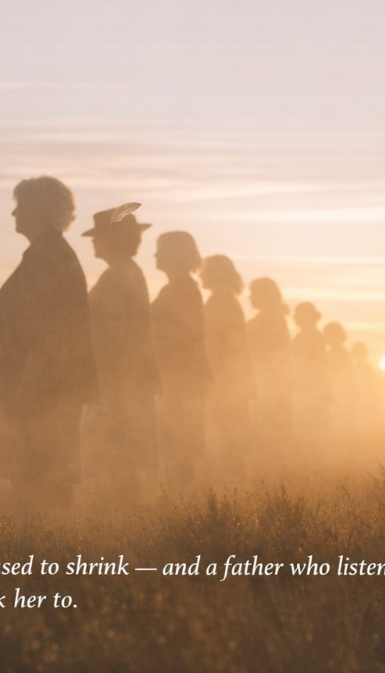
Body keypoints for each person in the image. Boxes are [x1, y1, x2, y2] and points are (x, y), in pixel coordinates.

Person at [0, 177, 97, 512]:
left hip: (42, 386)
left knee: (37, 475)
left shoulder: (47, 255)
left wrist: (29, 382)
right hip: (45, 383)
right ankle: (48, 550)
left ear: (40, 211)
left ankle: (44, 555)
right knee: (43, 474)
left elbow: (50, 328)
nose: (14, 213)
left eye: (21, 205)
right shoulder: (49, 252)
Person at [82, 205, 157, 497]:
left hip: (116, 380)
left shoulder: (115, 276)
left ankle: (121, 517)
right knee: (124, 453)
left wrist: (105, 376)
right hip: (129, 378)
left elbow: (114, 334)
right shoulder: (131, 272)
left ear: (111, 240)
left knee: (116, 451)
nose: (93, 242)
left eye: (98, 236)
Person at [151, 230, 212, 485]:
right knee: (179, 445)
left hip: (181, 378)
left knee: (180, 445)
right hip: (183, 376)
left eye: (160, 249)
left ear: (174, 255)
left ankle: (184, 508)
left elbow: (183, 335)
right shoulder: (182, 287)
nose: (155, 254)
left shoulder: (180, 289)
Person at [200, 254, 255, 473]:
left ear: (214, 274)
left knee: (225, 430)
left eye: (205, 270)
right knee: (230, 429)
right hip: (232, 377)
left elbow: (214, 341)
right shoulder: (227, 299)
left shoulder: (219, 300)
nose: (201, 274)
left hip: (225, 377)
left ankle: (229, 483)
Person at [246, 277, 294, 439]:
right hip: (268, 383)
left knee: (271, 430)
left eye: (253, 293)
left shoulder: (269, 320)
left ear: (264, 295)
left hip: (268, 384)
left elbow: (275, 355)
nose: (249, 297)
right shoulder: (272, 318)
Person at [291, 302, 332, 432]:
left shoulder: (308, 335)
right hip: (311, 386)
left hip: (310, 386)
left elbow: (315, 364)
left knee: (312, 424)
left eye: (298, 315)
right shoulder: (312, 335)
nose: (295, 318)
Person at [324, 322, 357, 430]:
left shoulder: (337, 352)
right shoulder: (341, 352)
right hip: (341, 389)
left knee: (341, 419)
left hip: (340, 389)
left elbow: (341, 374)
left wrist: (331, 389)